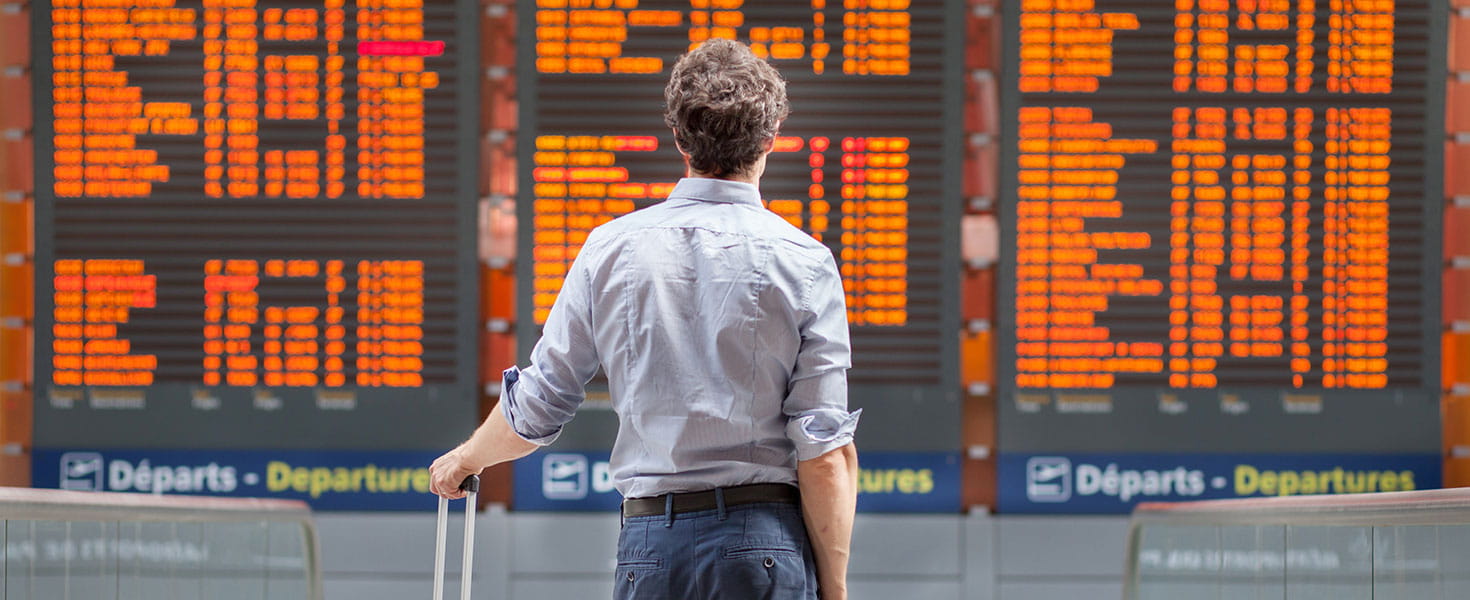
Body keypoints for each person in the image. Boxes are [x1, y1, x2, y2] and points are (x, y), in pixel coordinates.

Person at [429, 37, 860, 600]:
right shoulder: (806, 264)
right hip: (765, 552)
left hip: (651, 552)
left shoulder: (610, 250)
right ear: (771, 138)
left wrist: (464, 460)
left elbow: (538, 404)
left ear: (679, 138)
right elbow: (823, 452)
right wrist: (834, 587)